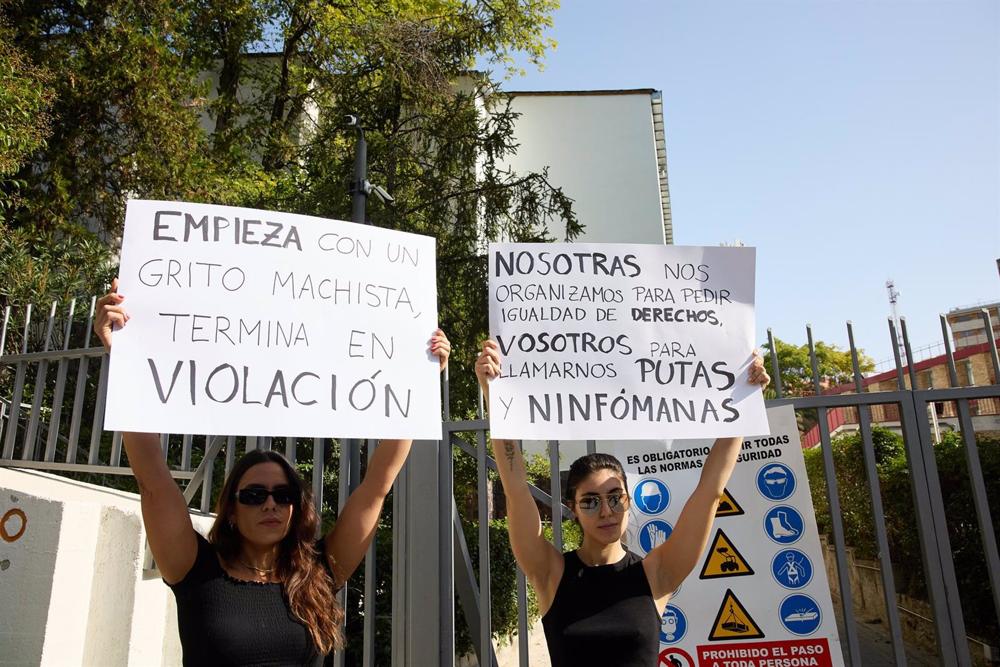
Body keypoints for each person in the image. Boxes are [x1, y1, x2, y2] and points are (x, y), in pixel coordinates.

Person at [95, 279, 450, 666]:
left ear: (297, 508)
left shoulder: (319, 572)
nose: (271, 504)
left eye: (284, 496)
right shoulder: (194, 568)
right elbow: (154, 481)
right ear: (231, 508)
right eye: (254, 494)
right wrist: (125, 358)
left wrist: (421, 382)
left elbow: (377, 486)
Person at [474, 339, 769, 666]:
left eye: (616, 498)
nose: (606, 511)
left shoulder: (657, 573)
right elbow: (515, 491)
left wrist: (743, 401)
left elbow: (710, 492)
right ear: (573, 508)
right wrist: (494, 396)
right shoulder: (551, 573)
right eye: (590, 501)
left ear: (628, 501)